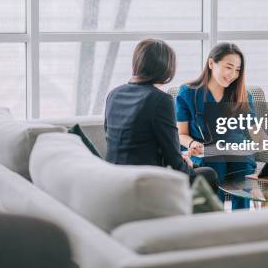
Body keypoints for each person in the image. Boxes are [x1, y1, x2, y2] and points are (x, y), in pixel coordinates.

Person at [104, 38, 218, 192]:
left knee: (195, 168)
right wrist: (187, 165)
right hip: (146, 180)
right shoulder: (160, 100)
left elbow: (125, 143)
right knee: (209, 174)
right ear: (166, 68)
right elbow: (173, 158)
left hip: (114, 176)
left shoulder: (114, 94)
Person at [176, 42, 257, 209]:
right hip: (205, 152)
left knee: (242, 164)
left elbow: (257, 133)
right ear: (211, 63)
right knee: (216, 162)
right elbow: (181, 134)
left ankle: (242, 223)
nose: (233, 74)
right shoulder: (188, 93)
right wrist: (193, 144)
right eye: (229, 67)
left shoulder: (243, 96)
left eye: (237, 70)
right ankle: (214, 220)